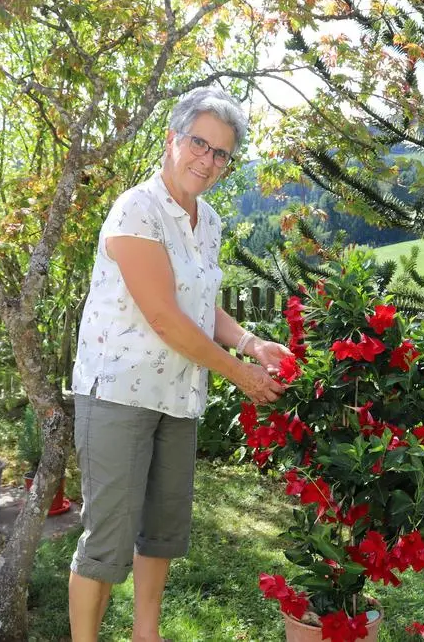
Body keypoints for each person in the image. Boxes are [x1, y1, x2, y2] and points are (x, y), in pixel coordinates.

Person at [68, 86, 291, 642]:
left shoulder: (207, 221)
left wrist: (252, 344)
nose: (207, 160)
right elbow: (165, 317)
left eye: (221, 153)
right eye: (199, 143)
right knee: (108, 541)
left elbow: (199, 303)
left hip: (177, 395)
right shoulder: (136, 209)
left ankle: (147, 634)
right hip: (118, 392)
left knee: (162, 530)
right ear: (172, 139)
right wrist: (241, 375)